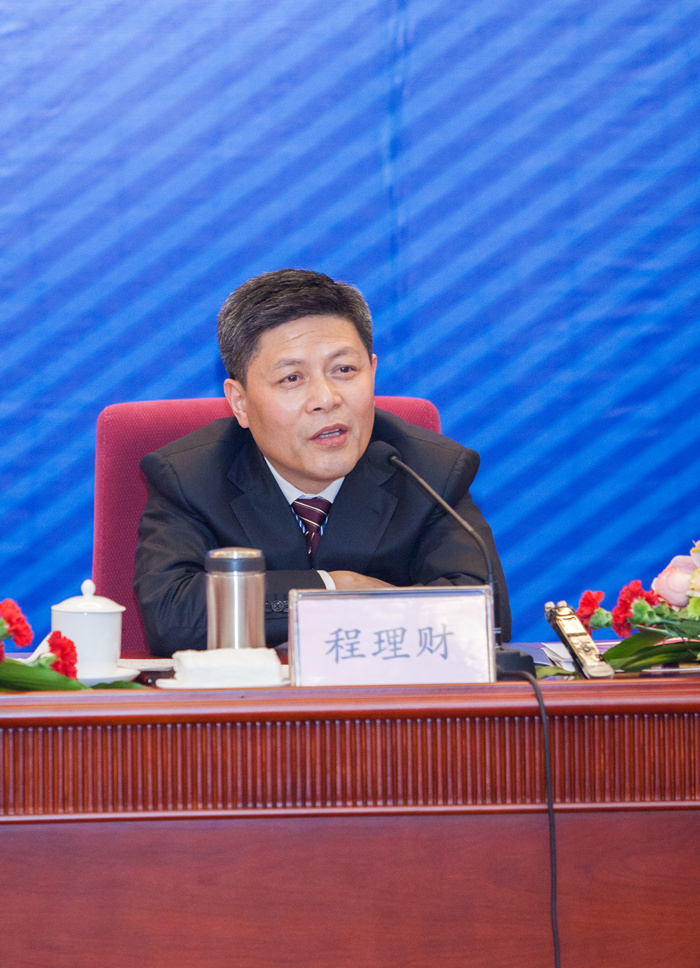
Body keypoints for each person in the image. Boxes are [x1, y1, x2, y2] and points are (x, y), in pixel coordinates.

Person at [134, 269, 511, 655]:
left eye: (344, 370)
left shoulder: (429, 470)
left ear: (372, 372)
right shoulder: (190, 478)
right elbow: (173, 616)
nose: (326, 399)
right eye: (292, 378)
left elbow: (483, 613)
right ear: (240, 402)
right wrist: (335, 588)